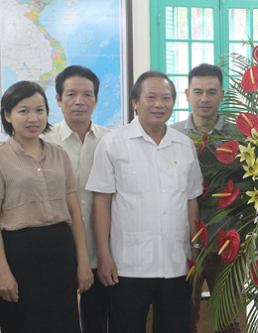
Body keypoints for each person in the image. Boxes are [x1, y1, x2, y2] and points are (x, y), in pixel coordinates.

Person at [86, 71, 203, 333]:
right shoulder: (112, 144)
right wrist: (103, 256)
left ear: (174, 102)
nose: (159, 104)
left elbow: (191, 201)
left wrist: (195, 252)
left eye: (166, 98)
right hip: (128, 265)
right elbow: (101, 202)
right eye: (150, 97)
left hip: (177, 264)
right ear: (135, 102)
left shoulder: (184, 145)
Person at [0, 81, 93, 332]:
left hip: (60, 251)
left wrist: (83, 260)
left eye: (39, 110)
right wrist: (3, 273)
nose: (33, 118)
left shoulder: (59, 155)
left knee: (63, 323)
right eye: (23, 111)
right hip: (19, 255)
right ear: (7, 115)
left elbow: (74, 212)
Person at [169, 63, 241, 333]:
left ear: (222, 94)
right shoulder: (172, 135)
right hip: (184, 243)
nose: (205, 99)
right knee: (185, 317)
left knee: (228, 319)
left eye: (212, 92)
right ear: (187, 94)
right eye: (198, 91)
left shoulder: (239, 136)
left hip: (226, 242)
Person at [42, 65, 111, 333]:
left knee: (97, 323)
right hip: (56, 251)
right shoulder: (43, 142)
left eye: (87, 94)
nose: (79, 101)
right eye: (71, 94)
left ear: (95, 100)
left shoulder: (111, 141)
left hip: (102, 252)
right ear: (58, 99)